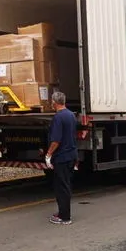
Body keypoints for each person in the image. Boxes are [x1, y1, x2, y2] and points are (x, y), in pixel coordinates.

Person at [45, 91, 78, 225]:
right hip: (71, 155)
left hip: (62, 157)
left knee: (61, 187)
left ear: (54, 102)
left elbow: (56, 140)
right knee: (66, 185)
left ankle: (64, 217)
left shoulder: (58, 117)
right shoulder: (71, 115)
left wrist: (48, 154)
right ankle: (63, 213)